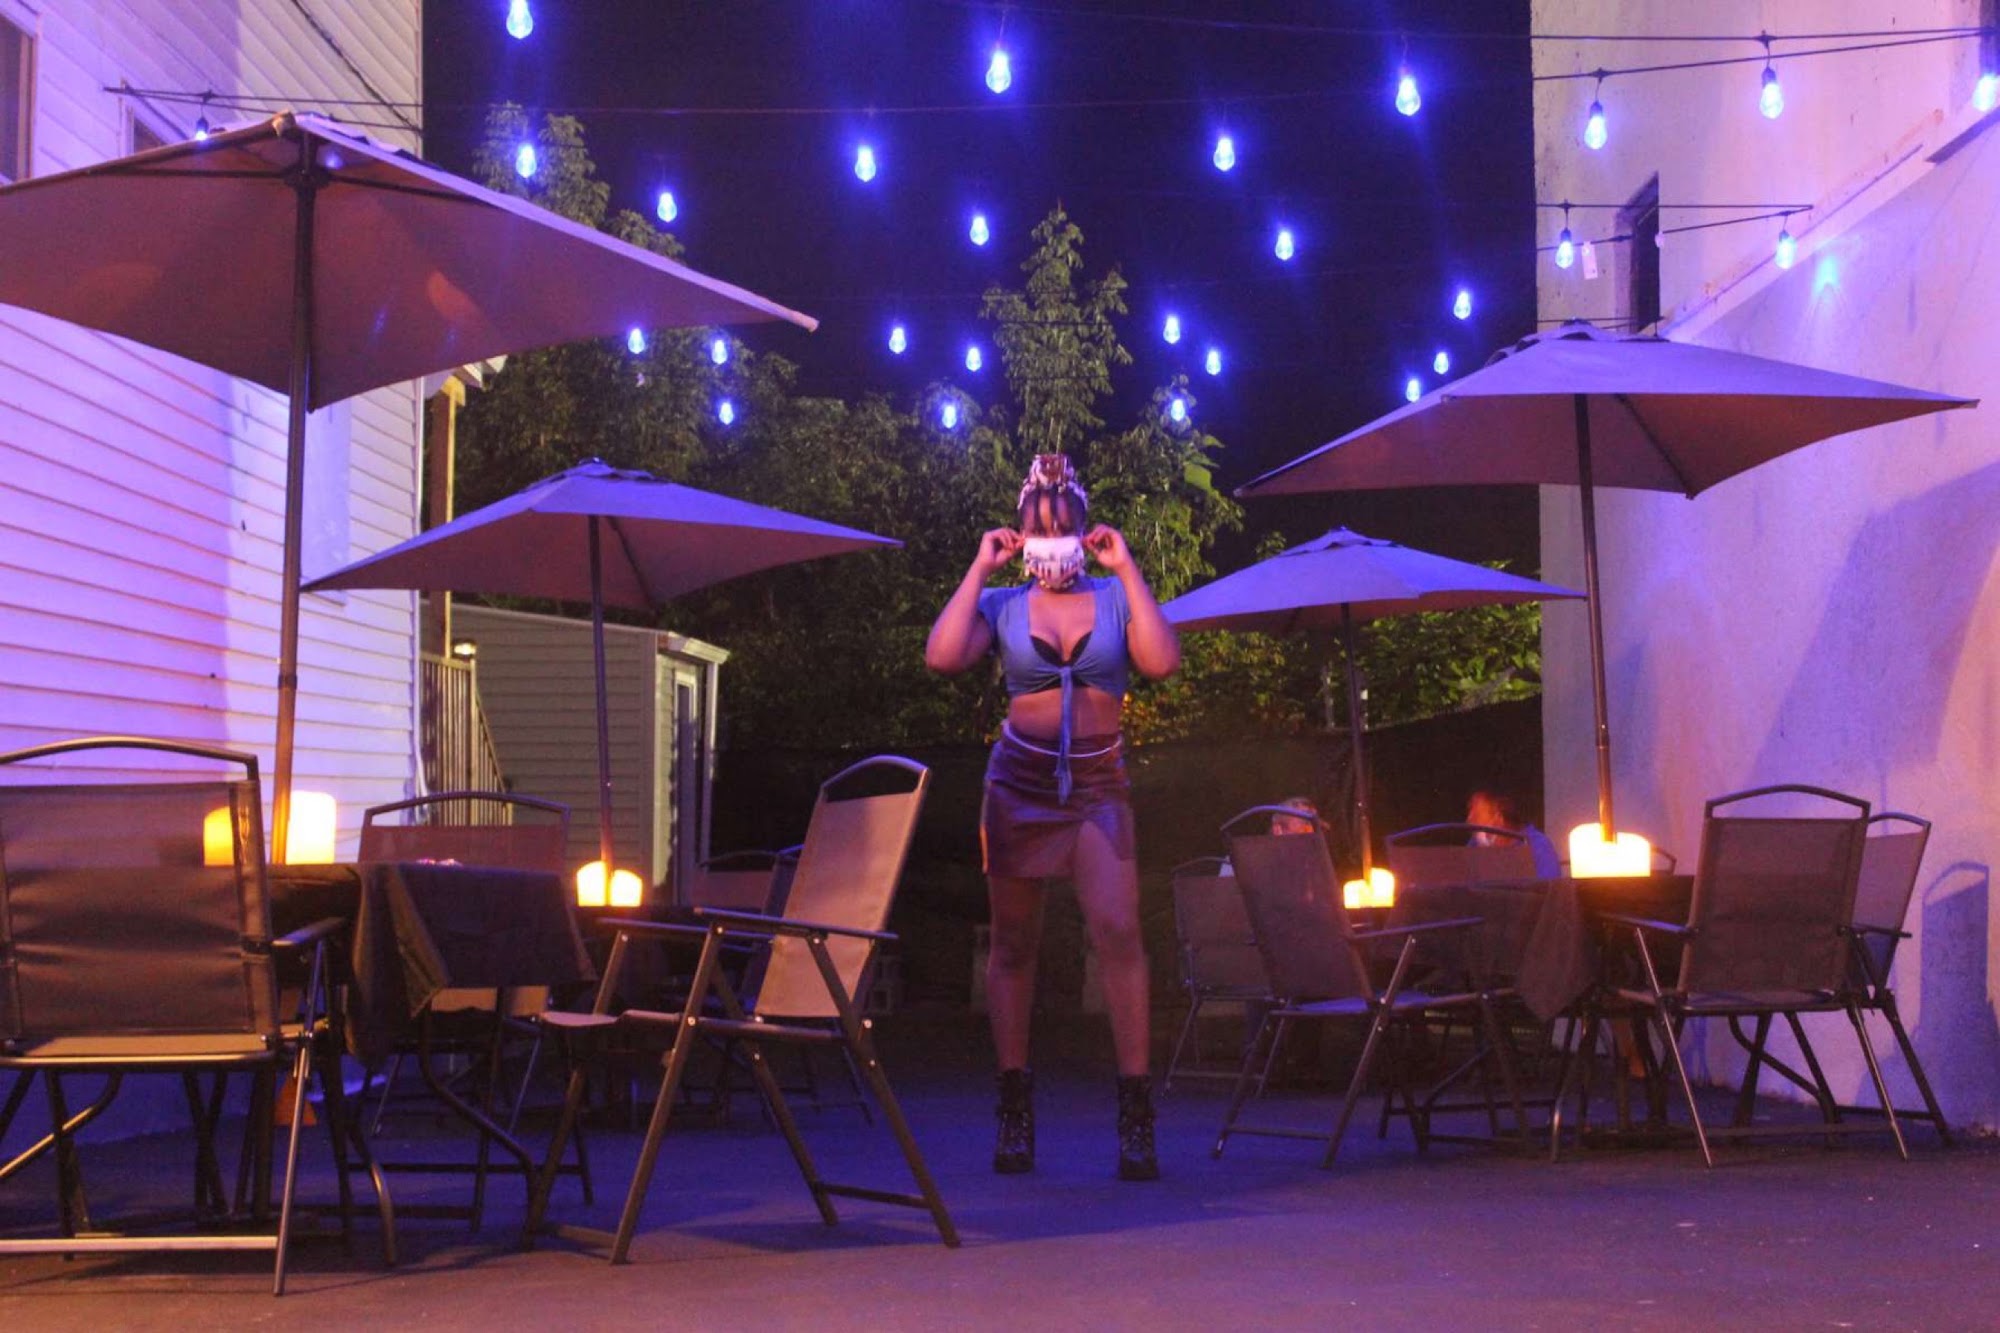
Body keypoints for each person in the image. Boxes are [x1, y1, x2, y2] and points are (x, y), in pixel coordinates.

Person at [925, 453, 1181, 1181]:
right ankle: (1014, 1106)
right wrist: (980, 567)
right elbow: (942, 656)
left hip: (1097, 782)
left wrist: (1127, 567)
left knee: (1120, 933)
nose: (1052, 542)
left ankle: (1136, 1115)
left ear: (1083, 529)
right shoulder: (1003, 604)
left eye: (1062, 527)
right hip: (1020, 783)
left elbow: (1162, 662)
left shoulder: (1115, 596)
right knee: (1013, 944)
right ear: (1023, 537)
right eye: (1039, 530)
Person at [1466, 789, 1563, 878]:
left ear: (1498, 818)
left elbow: (1547, 887)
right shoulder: (1474, 845)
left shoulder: (1537, 846)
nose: (1469, 819)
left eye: (1476, 815)